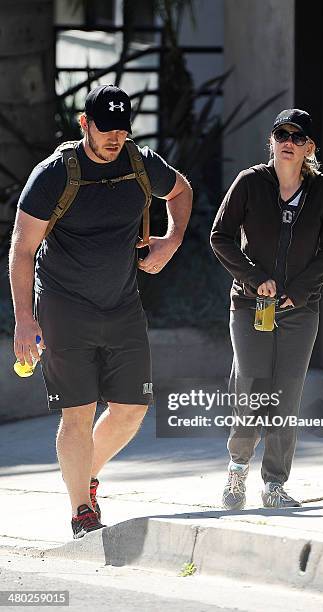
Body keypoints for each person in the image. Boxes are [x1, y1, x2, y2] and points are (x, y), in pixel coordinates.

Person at [9, 84, 192, 538]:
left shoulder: (140, 164)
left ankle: (83, 472)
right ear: (85, 124)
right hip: (63, 305)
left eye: (122, 130)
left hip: (122, 303)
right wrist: (25, 319)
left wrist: (171, 241)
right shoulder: (55, 174)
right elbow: (22, 247)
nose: (114, 138)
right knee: (78, 411)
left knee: (132, 408)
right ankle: (81, 511)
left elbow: (181, 190)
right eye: (105, 129)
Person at [210, 108, 323, 509]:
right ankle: (237, 470)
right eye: (281, 134)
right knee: (251, 388)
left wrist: (301, 291)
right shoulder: (250, 183)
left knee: (285, 396)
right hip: (251, 306)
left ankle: (274, 485)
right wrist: (253, 277)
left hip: (300, 310)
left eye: (297, 137)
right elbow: (221, 237)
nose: (287, 142)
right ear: (271, 141)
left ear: (309, 148)